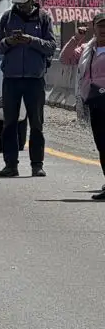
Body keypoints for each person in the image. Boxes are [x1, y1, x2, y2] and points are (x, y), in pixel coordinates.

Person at [0, 0, 56, 178]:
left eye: (24, 2)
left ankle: (37, 164)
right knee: (9, 123)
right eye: (17, 2)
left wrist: (31, 40)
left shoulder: (44, 18)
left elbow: (51, 46)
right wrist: (9, 42)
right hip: (11, 78)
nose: (21, 6)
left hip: (34, 79)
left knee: (36, 123)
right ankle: (10, 165)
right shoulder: (7, 17)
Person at [60, 16, 105, 200]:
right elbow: (65, 57)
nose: (103, 30)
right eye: (100, 26)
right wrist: (76, 38)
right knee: (102, 144)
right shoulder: (88, 49)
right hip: (94, 100)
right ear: (94, 28)